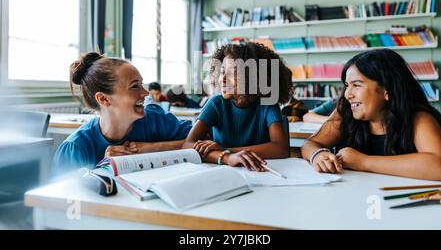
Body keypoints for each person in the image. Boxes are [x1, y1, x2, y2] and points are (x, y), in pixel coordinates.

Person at [300, 49, 441, 181]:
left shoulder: (418, 118)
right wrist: (318, 155)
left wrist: (363, 162)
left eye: (357, 85)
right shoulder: (345, 111)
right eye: (347, 85)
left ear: (387, 90)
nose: (348, 94)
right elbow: (310, 144)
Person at [52, 52, 192, 173]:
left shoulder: (155, 119)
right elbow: (64, 200)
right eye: (134, 86)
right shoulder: (76, 149)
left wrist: (150, 148)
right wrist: (104, 167)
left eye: (142, 84)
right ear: (104, 99)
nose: (145, 92)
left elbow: (206, 137)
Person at [182, 42, 292, 171]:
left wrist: (225, 150)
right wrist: (227, 157)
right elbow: (187, 145)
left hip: (259, 170)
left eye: (231, 73)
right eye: (222, 72)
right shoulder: (216, 103)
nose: (222, 79)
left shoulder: (267, 103)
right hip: (221, 170)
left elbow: (281, 148)